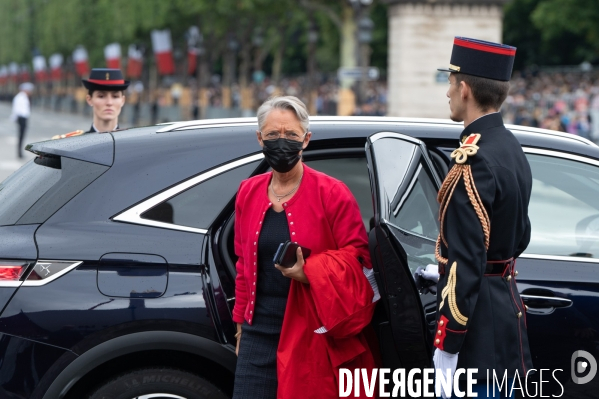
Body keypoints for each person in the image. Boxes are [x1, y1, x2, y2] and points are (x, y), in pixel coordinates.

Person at [232, 96, 378, 399]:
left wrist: (309, 271)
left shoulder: (333, 193)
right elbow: (243, 264)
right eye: (272, 135)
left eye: (291, 135)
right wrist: (240, 325)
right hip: (257, 335)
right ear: (259, 138)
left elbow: (361, 262)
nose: (281, 142)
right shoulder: (248, 191)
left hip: (312, 332)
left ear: (306, 140)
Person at [433, 37, 533, 398]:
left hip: (477, 340)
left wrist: (448, 344)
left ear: (463, 89)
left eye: (449, 84)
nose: (447, 93)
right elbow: (518, 237)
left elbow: (467, 261)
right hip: (507, 320)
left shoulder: (472, 160)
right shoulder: (510, 147)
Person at [53, 68, 129, 140]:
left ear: (122, 100)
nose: (109, 102)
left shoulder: (132, 145)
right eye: (101, 96)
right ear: (89, 100)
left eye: (115, 96)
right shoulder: (74, 143)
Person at [11, 82, 33, 158]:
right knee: (21, 136)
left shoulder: (24, 97)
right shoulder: (20, 97)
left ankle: (20, 153)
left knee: (22, 136)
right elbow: (16, 109)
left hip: (23, 118)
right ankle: (19, 153)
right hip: (21, 118)